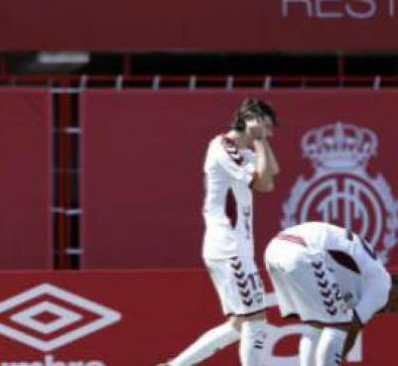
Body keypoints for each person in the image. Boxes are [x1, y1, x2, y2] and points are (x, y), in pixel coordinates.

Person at [158, 98, 279, 366]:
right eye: (266, 127)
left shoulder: (244, 149)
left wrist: (260, 141)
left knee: (239, 324)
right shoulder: (224, 148)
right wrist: (258, 141)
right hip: (229, 247)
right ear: (250, 122)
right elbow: (260, 182)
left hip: (236, 248)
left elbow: (270, 178)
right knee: (256, 320)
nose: (269, 134)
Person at [266, 222, 398, 365]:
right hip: (302, 252)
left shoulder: (365, 277)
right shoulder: (382, 287)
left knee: (317, 324)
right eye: (394, 308)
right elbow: (352, 328)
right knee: (339, 325)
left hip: (274, 250)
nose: (388, 311)